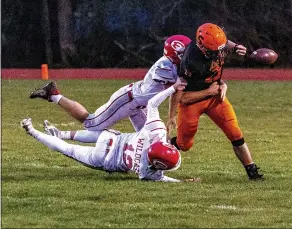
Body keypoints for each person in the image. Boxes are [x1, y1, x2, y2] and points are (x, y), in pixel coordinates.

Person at [21, 78, 199, 182]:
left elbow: (152, 104)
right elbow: (162, 178)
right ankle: (34, 130)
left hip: (111, 138)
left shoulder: (156, 133)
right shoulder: (148, 171)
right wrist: (181, 182)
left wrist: (172, 88)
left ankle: (58, 125)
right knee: (71, 144)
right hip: (106, 159)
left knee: (94, 126)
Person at [29, 35, 192, 143]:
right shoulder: (165, 66)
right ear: (175, 54)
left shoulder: (173, 64)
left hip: (139, 104)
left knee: (154, 140)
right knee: (90, 123)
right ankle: (54, 95)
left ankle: (142, 165)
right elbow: (180, 89)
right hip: (128, 100)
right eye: (185, 53)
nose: (188, 56)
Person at [166, 23, 264, 180]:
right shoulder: (190, 60)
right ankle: (159, 149)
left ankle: (253, 173)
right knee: (184, 145)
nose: (219, 53)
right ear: (201, 45)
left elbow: (225, 44)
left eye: (221, 48)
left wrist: (236, 46)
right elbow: (181, 96)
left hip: (215, 98)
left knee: (235, 133)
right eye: (214, 50)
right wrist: (171, 116)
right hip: (192, 101)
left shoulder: (217, 44)